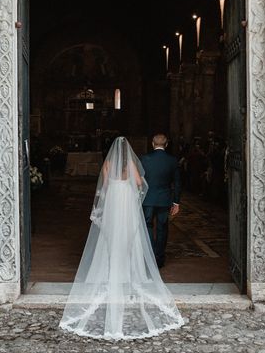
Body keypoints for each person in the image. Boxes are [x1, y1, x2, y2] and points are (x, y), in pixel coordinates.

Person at [59, 137, 184, 340]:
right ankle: (129, 271)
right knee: (130, 237)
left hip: (113, 200)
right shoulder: (133, 163)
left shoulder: (108, 163)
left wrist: (113, 188)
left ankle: (110, 269)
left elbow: (105, 184)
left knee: (109, 237)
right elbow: (138, 183)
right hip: (126, 200)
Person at [140, 134, 181, 268]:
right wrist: (176, 202)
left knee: (147, 226)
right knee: (162, 228)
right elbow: (177, 182)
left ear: (152, 144)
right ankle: (159, 258)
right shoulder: (173, 160)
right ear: (166, 144)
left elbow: (139, 181)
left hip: (148, 199)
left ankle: (150, 255)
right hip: (164, 199)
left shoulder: (144, 159)